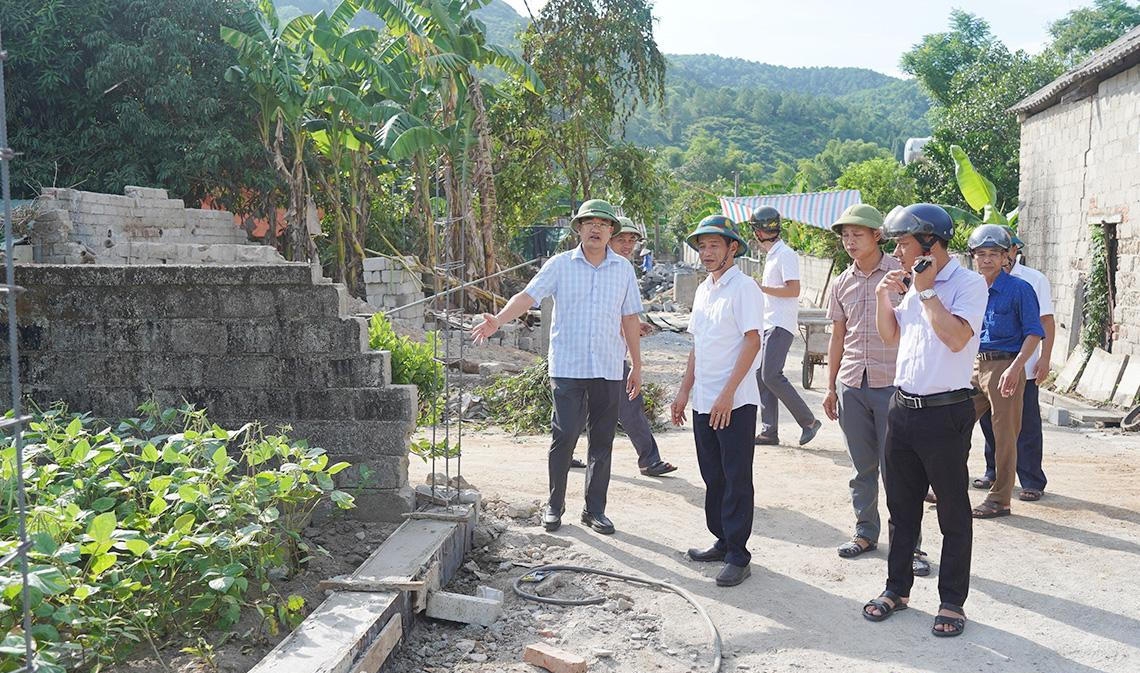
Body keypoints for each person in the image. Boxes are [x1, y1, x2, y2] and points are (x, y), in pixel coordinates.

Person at [471, 199, 643, 535]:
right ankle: (554, 505)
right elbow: (528, 295)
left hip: (608, 366)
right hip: (567, 366)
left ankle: (595, 510)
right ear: (578, 229)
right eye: (588, 223)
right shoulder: (560, 265)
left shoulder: (623, 270)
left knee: (602, 441)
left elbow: (630, 317)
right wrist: (499, 320)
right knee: (564, 435)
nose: (596, 228)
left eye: (603, 224)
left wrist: (636, 364)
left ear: (611, 231)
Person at [861, 203, 987, 638]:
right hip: (903, 409)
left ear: (931, 243)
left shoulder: (967, 284)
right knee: (901, 507)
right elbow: (891, 336)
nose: (896, 252)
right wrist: (884, 297)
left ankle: (952, 601)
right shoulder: (914, 285)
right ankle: (897, 589)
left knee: (952, 510)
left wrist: (928, 289)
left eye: (903, 243)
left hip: (946, 413)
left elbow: (955, 339)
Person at [822, 204, 931, 576]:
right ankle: (865, 532)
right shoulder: (842, 282)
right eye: (845, 235)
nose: (850, 241)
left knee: (899, 470)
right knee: (861, 466)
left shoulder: (903, 275)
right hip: (852, 383)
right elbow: (838, 335)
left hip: (894, 385)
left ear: (877, 236)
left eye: (858, 234)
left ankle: (910, 546)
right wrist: (831, 387)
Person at [671, 215, 763, 587]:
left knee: (736, 476)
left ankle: (739, 555)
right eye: (702, 246)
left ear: (732, 248)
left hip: (735, 402)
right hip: (704, 399)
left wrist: (727, 394)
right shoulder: (705, 289)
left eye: (714, 245)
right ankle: (722, 541)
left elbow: (753, 341)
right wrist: (683, 390)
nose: (707, 253)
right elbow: (698, 345)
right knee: (713, 475)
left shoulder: (745, 289)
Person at [571, 216, 677, 477]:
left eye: (632, 240)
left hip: (612, 355)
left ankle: (649, 459)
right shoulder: (588, 267)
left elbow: (623, 312)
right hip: (585, 355)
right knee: (581, 406)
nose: (628, 245)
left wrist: (632, 328)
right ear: (609, 237)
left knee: (627, 402)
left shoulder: (622, 269)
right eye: (622, 239)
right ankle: (566, 451)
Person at [965, 225, 1043, 520]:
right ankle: (950, 484)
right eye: (981, 254)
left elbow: (1034, 333)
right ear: (973, 257)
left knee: (1005, 436)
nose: (987, 260)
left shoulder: (1019, 289)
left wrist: (1016, 367)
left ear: (1005, 257)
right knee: (953, 424)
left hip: (1005, 366)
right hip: (972, 365)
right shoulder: (970, 288)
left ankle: (1000, 500)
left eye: (993, 254)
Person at [748, 206, 822, 446]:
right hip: (770, 322)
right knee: (761, 375)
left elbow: (794, 290)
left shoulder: (785, 254)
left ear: (759, 232)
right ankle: (770, 431)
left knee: (771, 374)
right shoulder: (773, 255)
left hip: (780, 323)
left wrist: (760, 288)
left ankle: (809, 421)